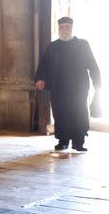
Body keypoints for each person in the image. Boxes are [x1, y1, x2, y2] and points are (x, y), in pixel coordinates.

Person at [34, 16, 101, 151]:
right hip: (59, 88)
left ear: (72, 29)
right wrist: (40, 78)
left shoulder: (83, 45)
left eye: (67, 27)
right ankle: (63, 141)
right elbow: (44, 65)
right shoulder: (53, 47)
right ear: (59, 29)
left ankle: (79, 142)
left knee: (79, 113)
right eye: (62, 27)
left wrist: (97, 82)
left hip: (79, 88)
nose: (64, 30)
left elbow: (92, 64)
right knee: (60, 113)